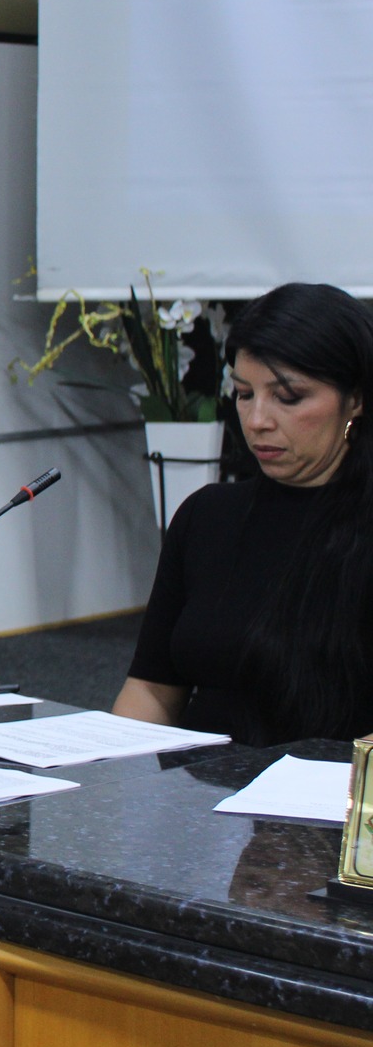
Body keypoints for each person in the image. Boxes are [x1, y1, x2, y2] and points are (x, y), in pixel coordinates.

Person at [116, 284, 373, 745]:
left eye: (288, 397)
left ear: (355, 398)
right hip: (197, 800)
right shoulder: (207, 516)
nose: (256, 420)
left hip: (329, 800)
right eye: (243, 393)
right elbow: (152, 689)